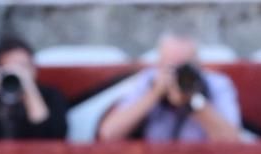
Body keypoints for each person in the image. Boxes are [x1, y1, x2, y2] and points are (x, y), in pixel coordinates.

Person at [97, 30, 243, 144]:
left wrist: (193, 101)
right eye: (171, 68)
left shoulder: (216, 84)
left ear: (198, 65)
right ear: (159, 64)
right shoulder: (148, 81)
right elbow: (109, 134)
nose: (177, 76)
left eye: (184, 68)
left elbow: (233, 141)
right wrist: (154, 93)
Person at [0, 33, 69, 141]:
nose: (17, 72)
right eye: (9, 66)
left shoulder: (51, 96)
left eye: (23, 66)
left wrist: (30, 91)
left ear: (34, 69)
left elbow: (55, 140)